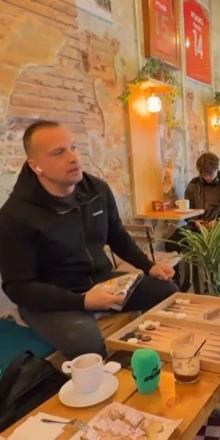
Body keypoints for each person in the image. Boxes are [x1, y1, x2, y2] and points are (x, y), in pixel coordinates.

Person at [0, 120, 179, 360]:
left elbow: (117, 235)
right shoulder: (15, 215)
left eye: (73, 147)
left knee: (168, 292)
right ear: (35, 166)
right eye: (59, 152)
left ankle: (156, 363)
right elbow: (19, 287)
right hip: (53, 299)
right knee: (85, 343)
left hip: (101, 282)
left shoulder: (97, 190)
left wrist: (149, 266)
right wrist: (83, 301)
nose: (73, 157)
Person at [165, 152, 220, 290]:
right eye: (203, 174)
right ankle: (176, 283)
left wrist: (219, 224)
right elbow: (188, 210)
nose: (207, 177)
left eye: (210, 174)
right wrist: (194, 221)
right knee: (171, 242)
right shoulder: (193, 185)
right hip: (197, 227)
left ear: (217, 169)